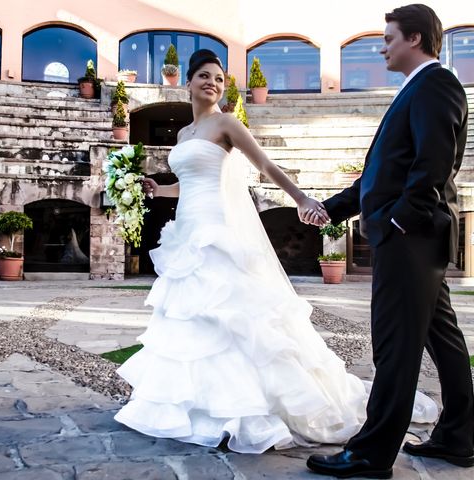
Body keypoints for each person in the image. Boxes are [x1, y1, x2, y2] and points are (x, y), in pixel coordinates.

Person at [114, 48, 437, 454]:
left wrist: (303, 200)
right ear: (189, 83)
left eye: (218, 77)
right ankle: (197, 402)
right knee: (191, 315)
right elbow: (190, 180)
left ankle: (249, 406)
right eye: (204, 76)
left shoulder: (227, 123)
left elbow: (265, 165)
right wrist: (160, 189)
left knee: (232, 314)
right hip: (188, 231)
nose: (212, 83)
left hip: (218, 229)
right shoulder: (183, 135)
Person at [305, 4, 473, 478]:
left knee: (396, 347)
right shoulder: (416, 89)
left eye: (389, 37)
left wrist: (398, 223)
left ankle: (371, 453)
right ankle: (458, 437)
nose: (382, 46)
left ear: (415, 39)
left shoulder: (435, 85)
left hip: (411, 240)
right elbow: (380, 176)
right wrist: (329, 209)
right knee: (442, 339)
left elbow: (433, 164)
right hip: (415, 238)